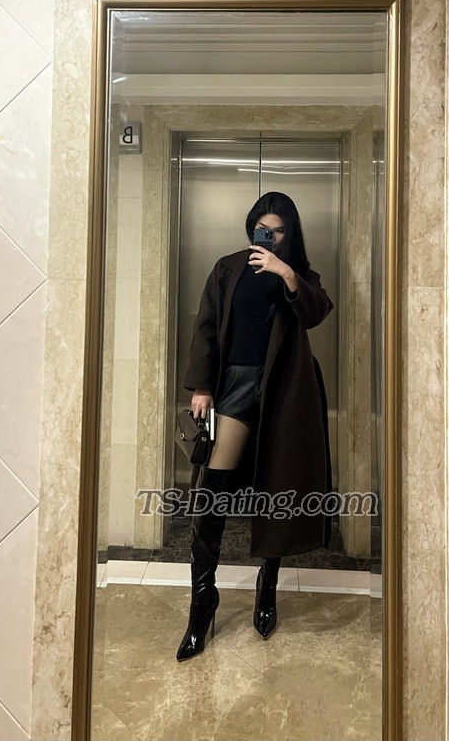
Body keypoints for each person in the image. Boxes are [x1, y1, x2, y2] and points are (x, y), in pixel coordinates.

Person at [176, 191, 334, 661]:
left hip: (285, 392)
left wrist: (286, 273)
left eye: (278, 231)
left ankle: (268, 584)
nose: (269, 237)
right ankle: (203, 600)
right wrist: (202, 386)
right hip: (235, 388)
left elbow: (316, 313)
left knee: (276, 485)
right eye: (263, 229)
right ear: (251, 228)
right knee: (211, 489)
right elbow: (206, 326)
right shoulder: (228, 268)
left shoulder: (300, 275)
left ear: (290, 234)